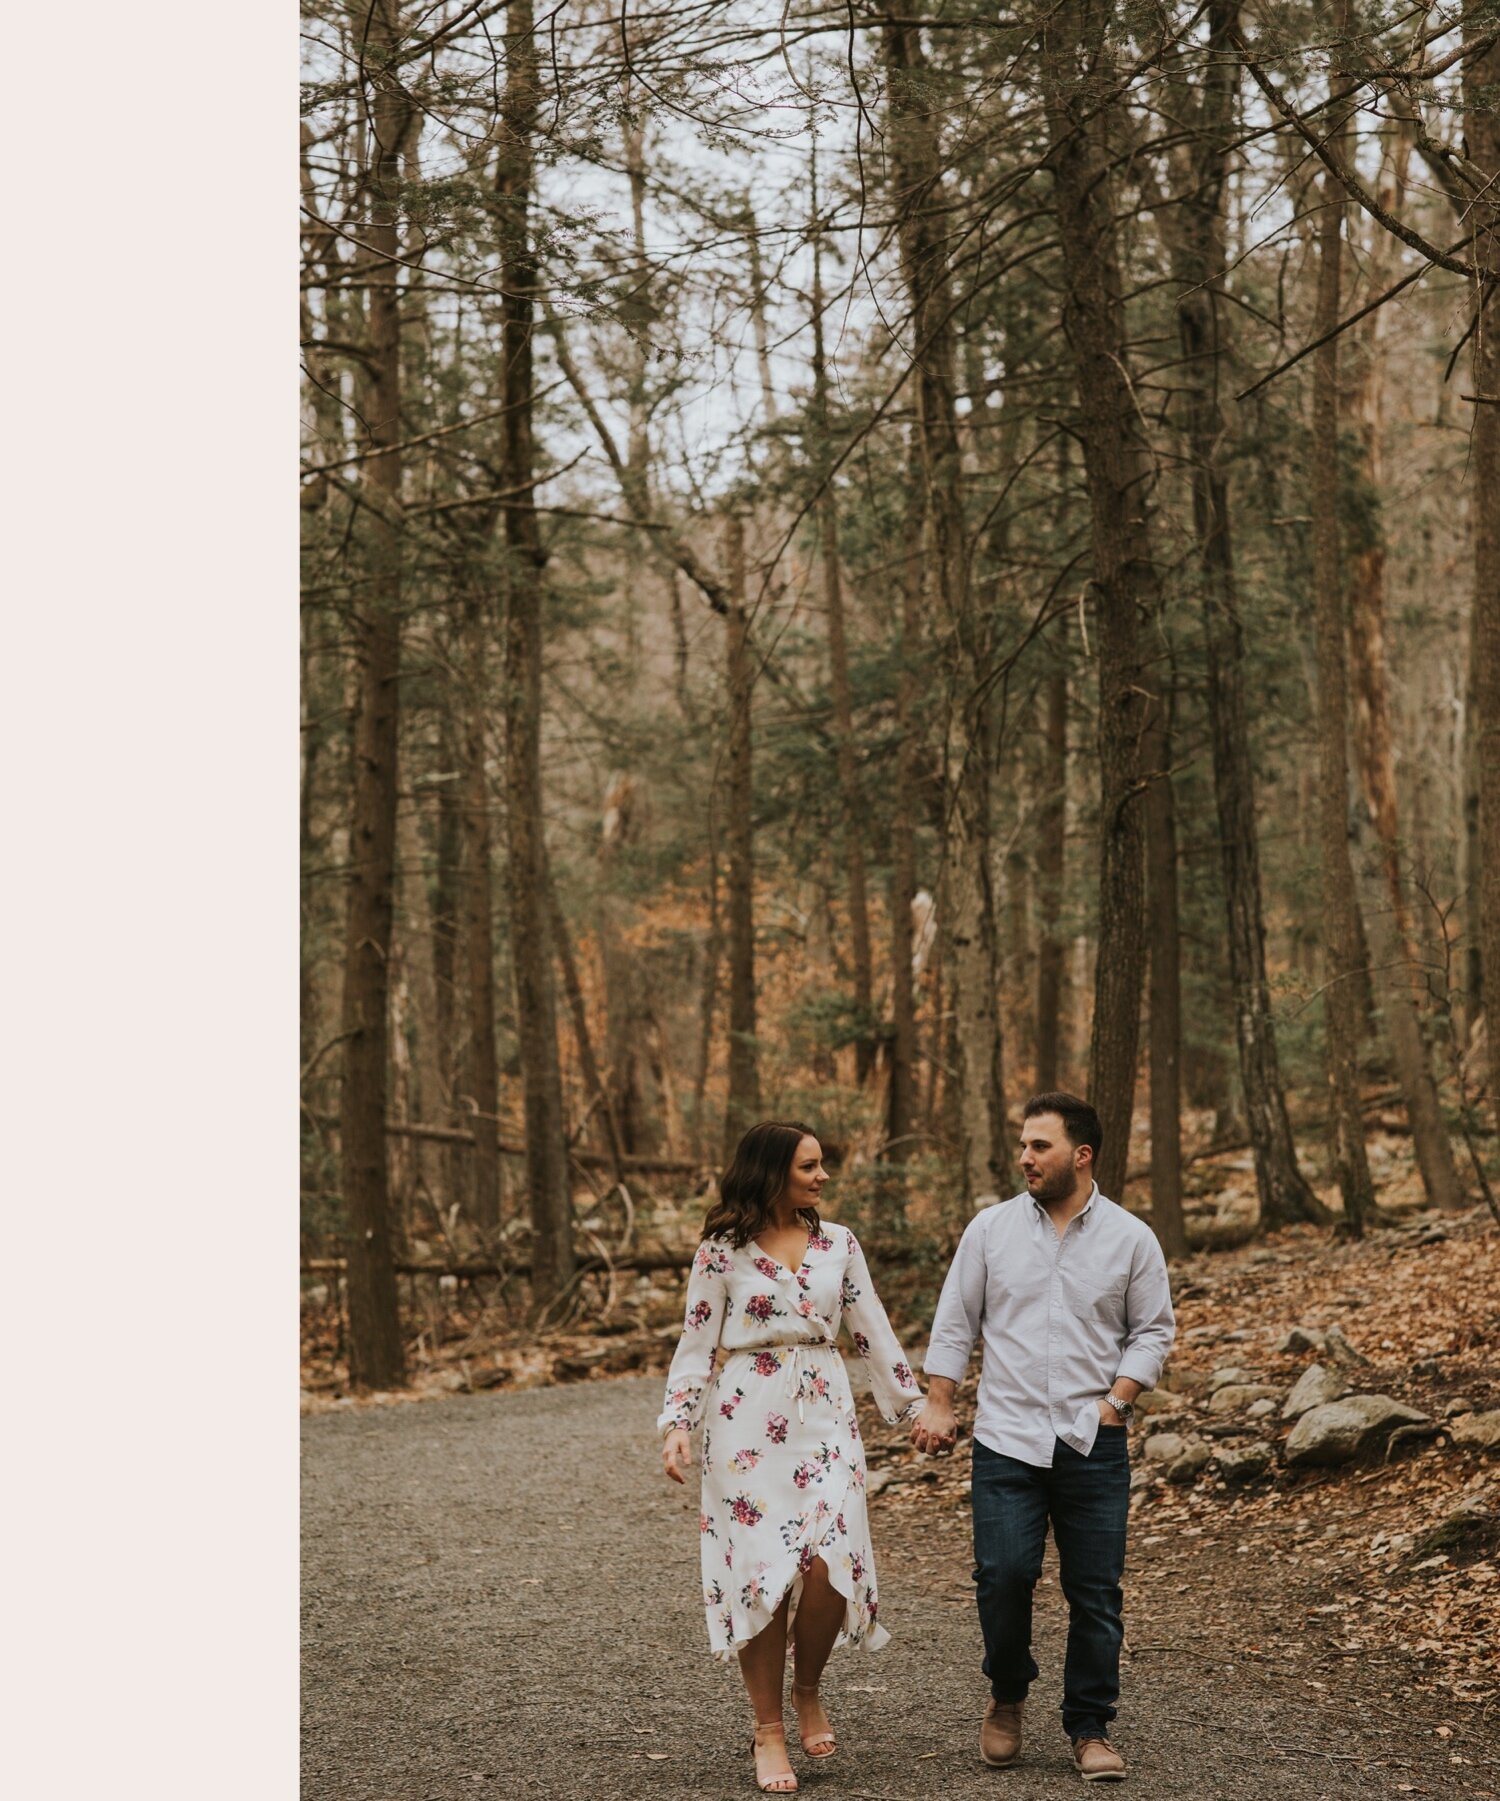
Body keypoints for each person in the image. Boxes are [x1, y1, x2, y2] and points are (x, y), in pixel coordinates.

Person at [909, 1092, 1175, 1783]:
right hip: (1006, 1437)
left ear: (1081, 1155)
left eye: (1040, 1146)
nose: (1024, 1157)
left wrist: (1119, 1402)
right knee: (1003, 1576)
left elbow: (1153, 1328)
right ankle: (1007, 1694)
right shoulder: (991, 1230)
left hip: (1093, 1442)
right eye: (1023, 1144)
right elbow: (956, 1320)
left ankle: (1089, 1725)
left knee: (1095, 1591)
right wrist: (940, 1400)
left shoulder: (1131, 1238)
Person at [659, 1120, 923, 1794]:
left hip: (825, 1412)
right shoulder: (721, 1251)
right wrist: (676, 1423)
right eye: (810, 1164)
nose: (823, 1175)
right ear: (773, 1170)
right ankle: (769, 1726)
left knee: (833, 1556)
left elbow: (874, 1331)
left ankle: (809, 1685)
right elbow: (695, 1344)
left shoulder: (839, 1243)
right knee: (764, 1573)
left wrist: (915, 1406)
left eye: (823, 1163)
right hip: (745, 1420)